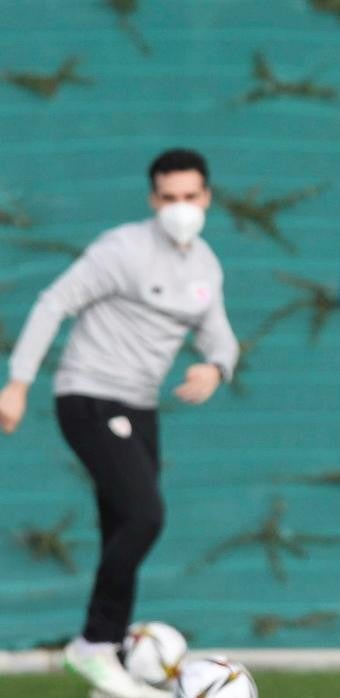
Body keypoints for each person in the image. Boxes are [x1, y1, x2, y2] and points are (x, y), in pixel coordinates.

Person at [0, 148, 238, 698]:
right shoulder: (123, 250)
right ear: (154, 200)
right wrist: (17, 382)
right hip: (88, 396)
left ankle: (108, 670)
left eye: (190, 197)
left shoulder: (204, 265)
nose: (181, 208)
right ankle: (93, 644)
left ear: (207, 197)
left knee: (122, 527)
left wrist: (215, 366)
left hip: (139, 406)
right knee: (146, 515)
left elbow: (218, 332)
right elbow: (53, 301)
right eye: (169, 198)